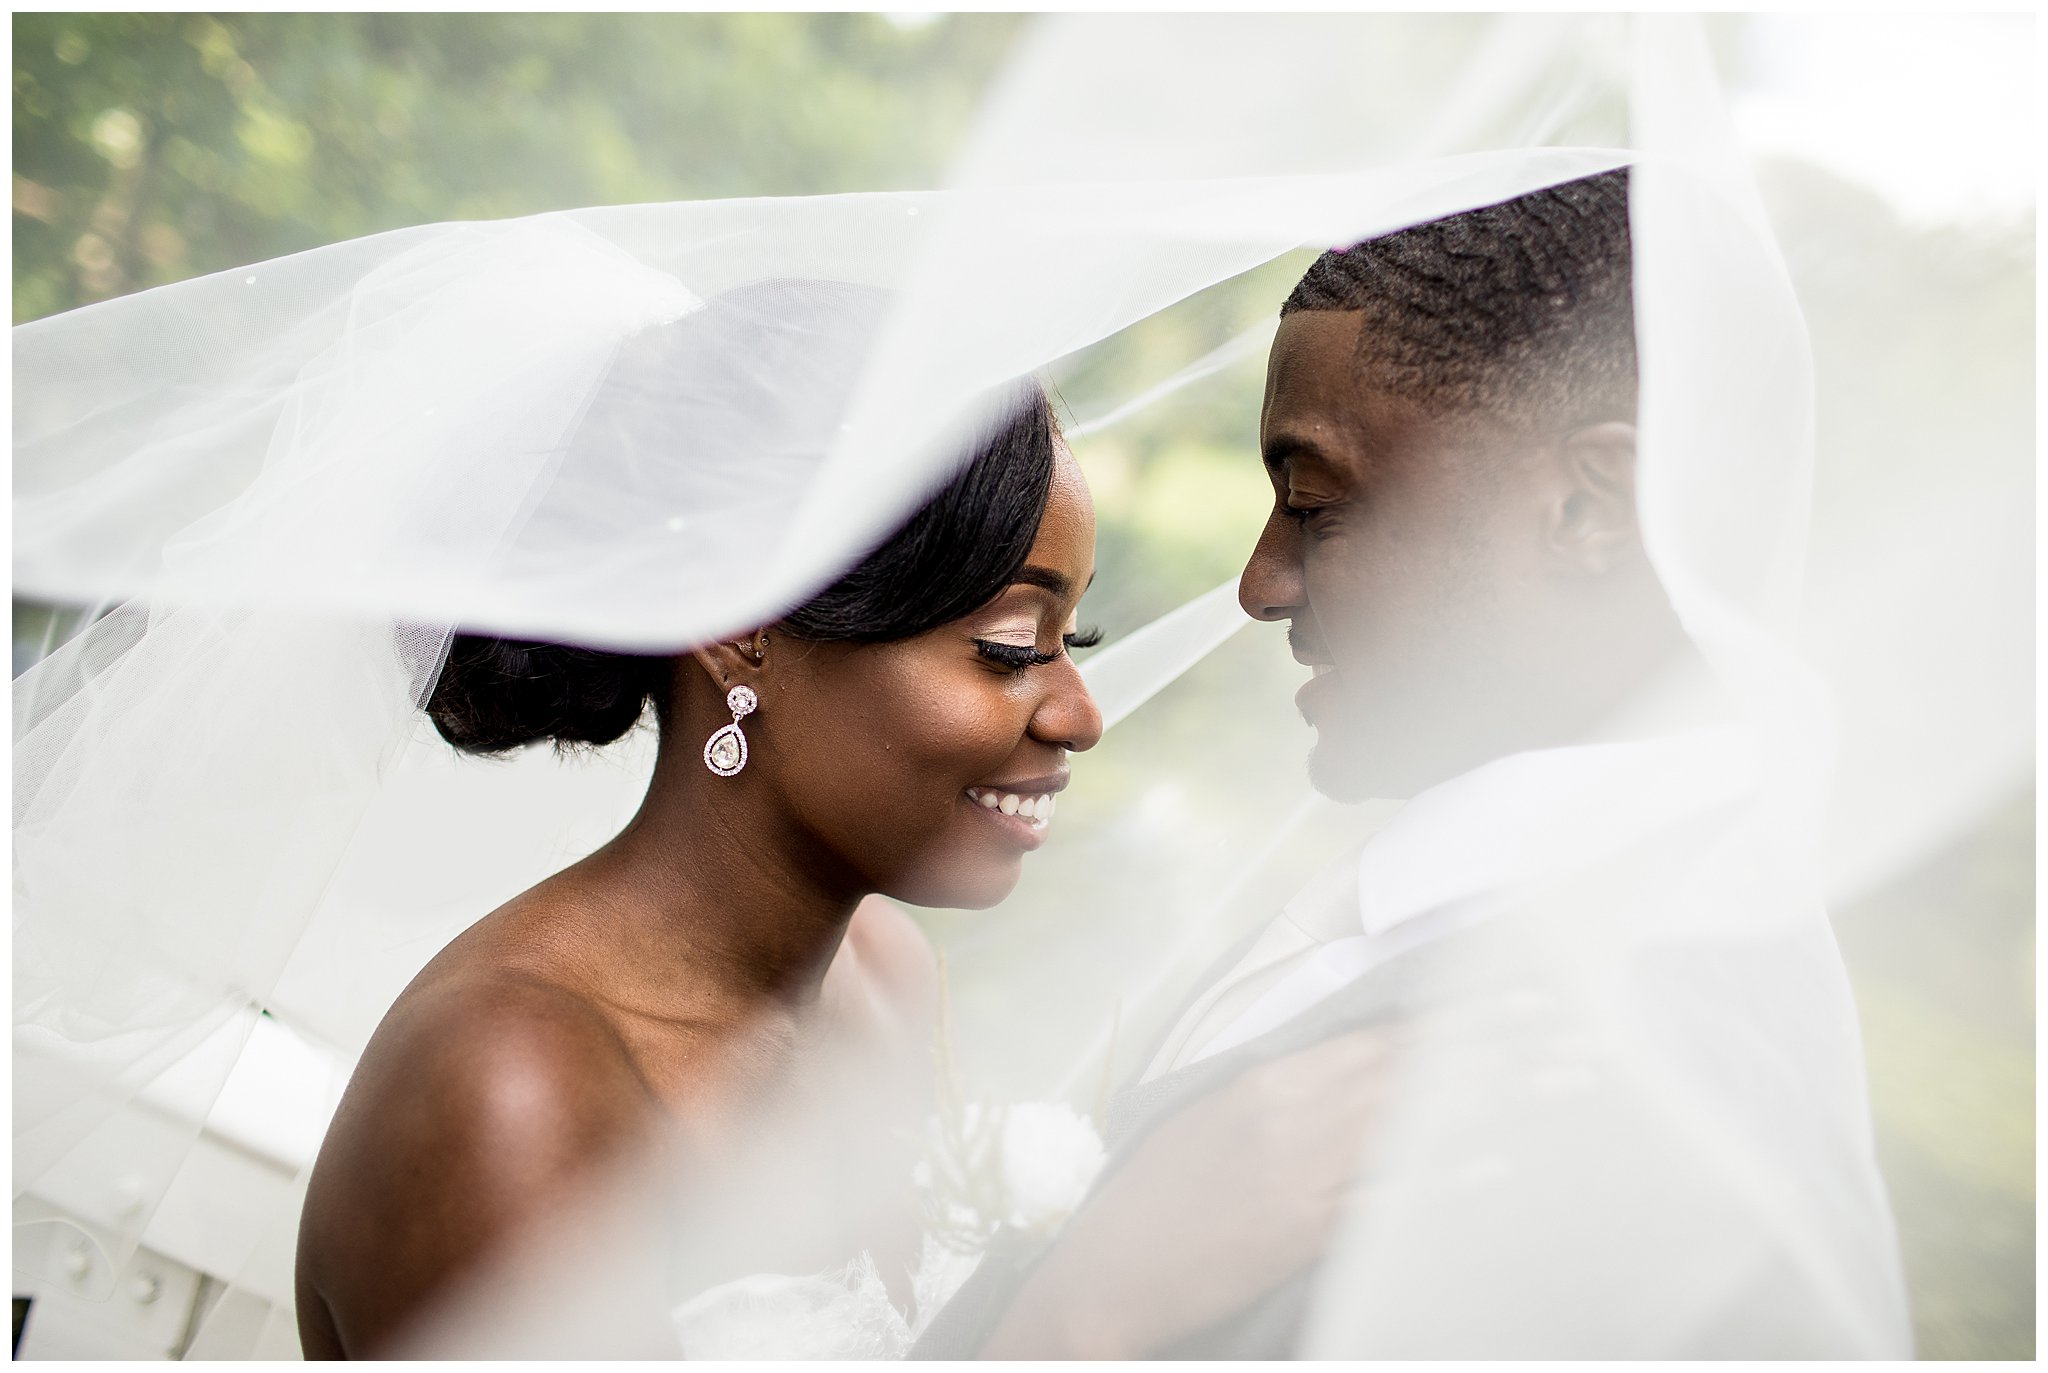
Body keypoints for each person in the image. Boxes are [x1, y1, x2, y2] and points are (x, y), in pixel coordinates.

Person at [910, 168, 1911, 1359]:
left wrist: (1085, 1317)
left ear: (1590, 509)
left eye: (1318, 506)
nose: (1256, 583)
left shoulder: (1610, 1096)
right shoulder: (1434, 910)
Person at [286, 281, 1109, 1357]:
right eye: (1009, 643)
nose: (1079, 713)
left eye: (1073, 641)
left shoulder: (885, 978)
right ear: (738, 626)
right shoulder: (513, 1086)